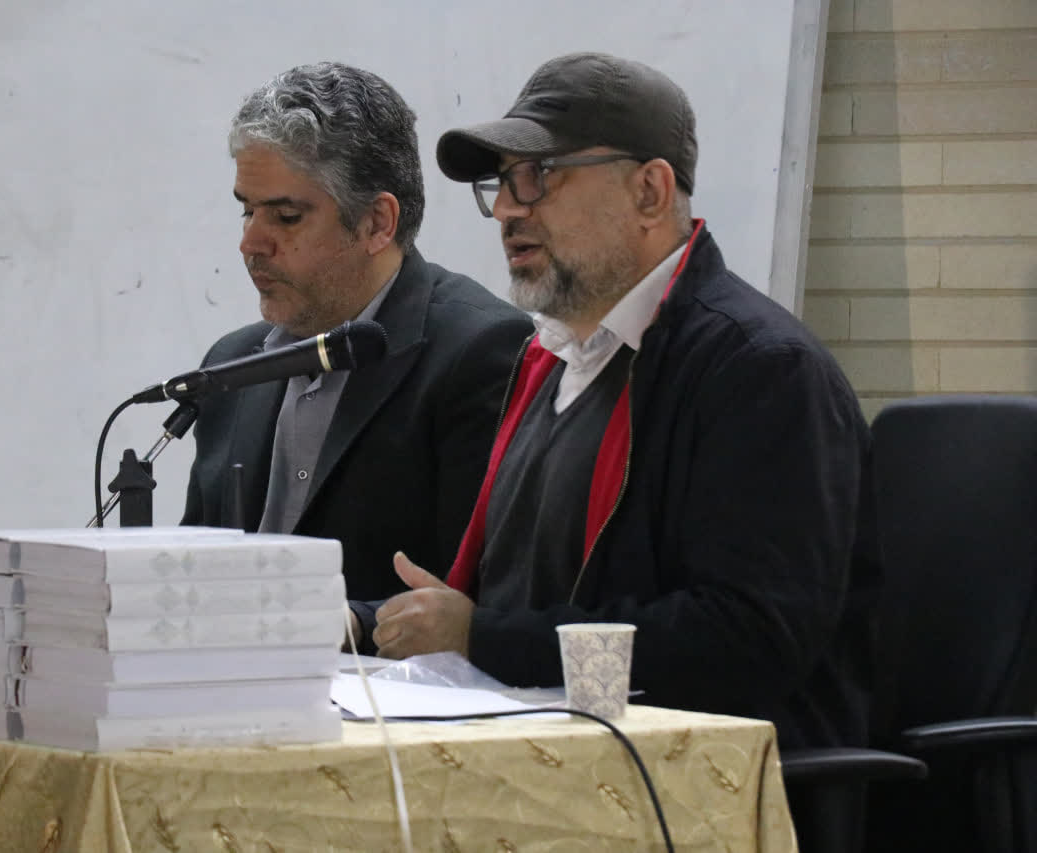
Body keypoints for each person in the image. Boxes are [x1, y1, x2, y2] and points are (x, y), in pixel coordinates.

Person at [352, 52, 876, 750]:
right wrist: (362, 622)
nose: (506, 208)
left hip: (701, 777)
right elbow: (512, 601)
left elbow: (747, 642)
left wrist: (483, 637)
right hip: (543, 747)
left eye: (538, 176)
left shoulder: (760, 370)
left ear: (649, 192)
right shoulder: (551, 360)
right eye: (502, 182)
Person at [182, 62, 533, 602]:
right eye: (247, 211)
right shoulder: (231, 365)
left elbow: (477, 600)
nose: (250, 243)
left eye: (286, 217)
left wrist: (332, 625)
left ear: (376, 223)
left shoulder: (482, 353)